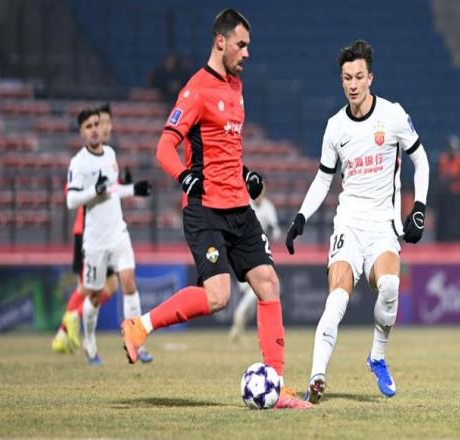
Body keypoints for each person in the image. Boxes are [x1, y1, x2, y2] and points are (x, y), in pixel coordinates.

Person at [121, 9, 312, 409]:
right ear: (221, 42)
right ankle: (140, 325)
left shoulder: (237, 87)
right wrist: (183, 177)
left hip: (239, 207)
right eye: (241, 45)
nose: (247, 53)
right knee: (218, 296)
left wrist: (246, 175)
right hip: (205, 209)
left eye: (249, 46)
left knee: (268, 283)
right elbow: (164, 147)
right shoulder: (195, 90)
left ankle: (276, 386)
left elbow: (224, 152)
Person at [285, 40, 430, 403]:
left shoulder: (392, 115)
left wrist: (419, 208)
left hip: (383, 225)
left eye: (359, 77)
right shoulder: (335, 127)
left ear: (370, 78)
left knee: (391, 286)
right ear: (342, 80)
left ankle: (377, 357)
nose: (353, 84)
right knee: (337, 296)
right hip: (348, 222)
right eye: (347, 78)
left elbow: (421, 161)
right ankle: (317, 376)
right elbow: (323, 178)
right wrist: (301, 216)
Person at [65, 106, 153, 365]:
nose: (95, 130)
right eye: (89, 127)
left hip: (118, 232)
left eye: (96, 124)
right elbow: (71, 200)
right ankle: (90, 343)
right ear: (82, 133)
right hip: (95, 241)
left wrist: (133, 189)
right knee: (94, 294)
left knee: (129, 283)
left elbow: (111, 190)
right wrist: (94, 190)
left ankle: (136, 343)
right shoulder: (78, 163)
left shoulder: (111, 154)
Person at [52, 104, 119, 355]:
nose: (105, 128)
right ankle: (66, 328)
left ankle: (65, 330)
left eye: (106, 123)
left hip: (106, 232)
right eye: (102, 123)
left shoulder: (108, 156)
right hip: (89, 232)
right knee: (88, 287)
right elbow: (73, 194)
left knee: (106, 285)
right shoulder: (83, 162)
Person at [229, 184, 281, 343]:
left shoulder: (268, 207)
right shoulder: (245, 204)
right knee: (258, 291)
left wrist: (272, 230)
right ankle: (239, 316)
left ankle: (238, 328)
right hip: (243, 256)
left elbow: (276, 233)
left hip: (260, 256)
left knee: (256, 299)